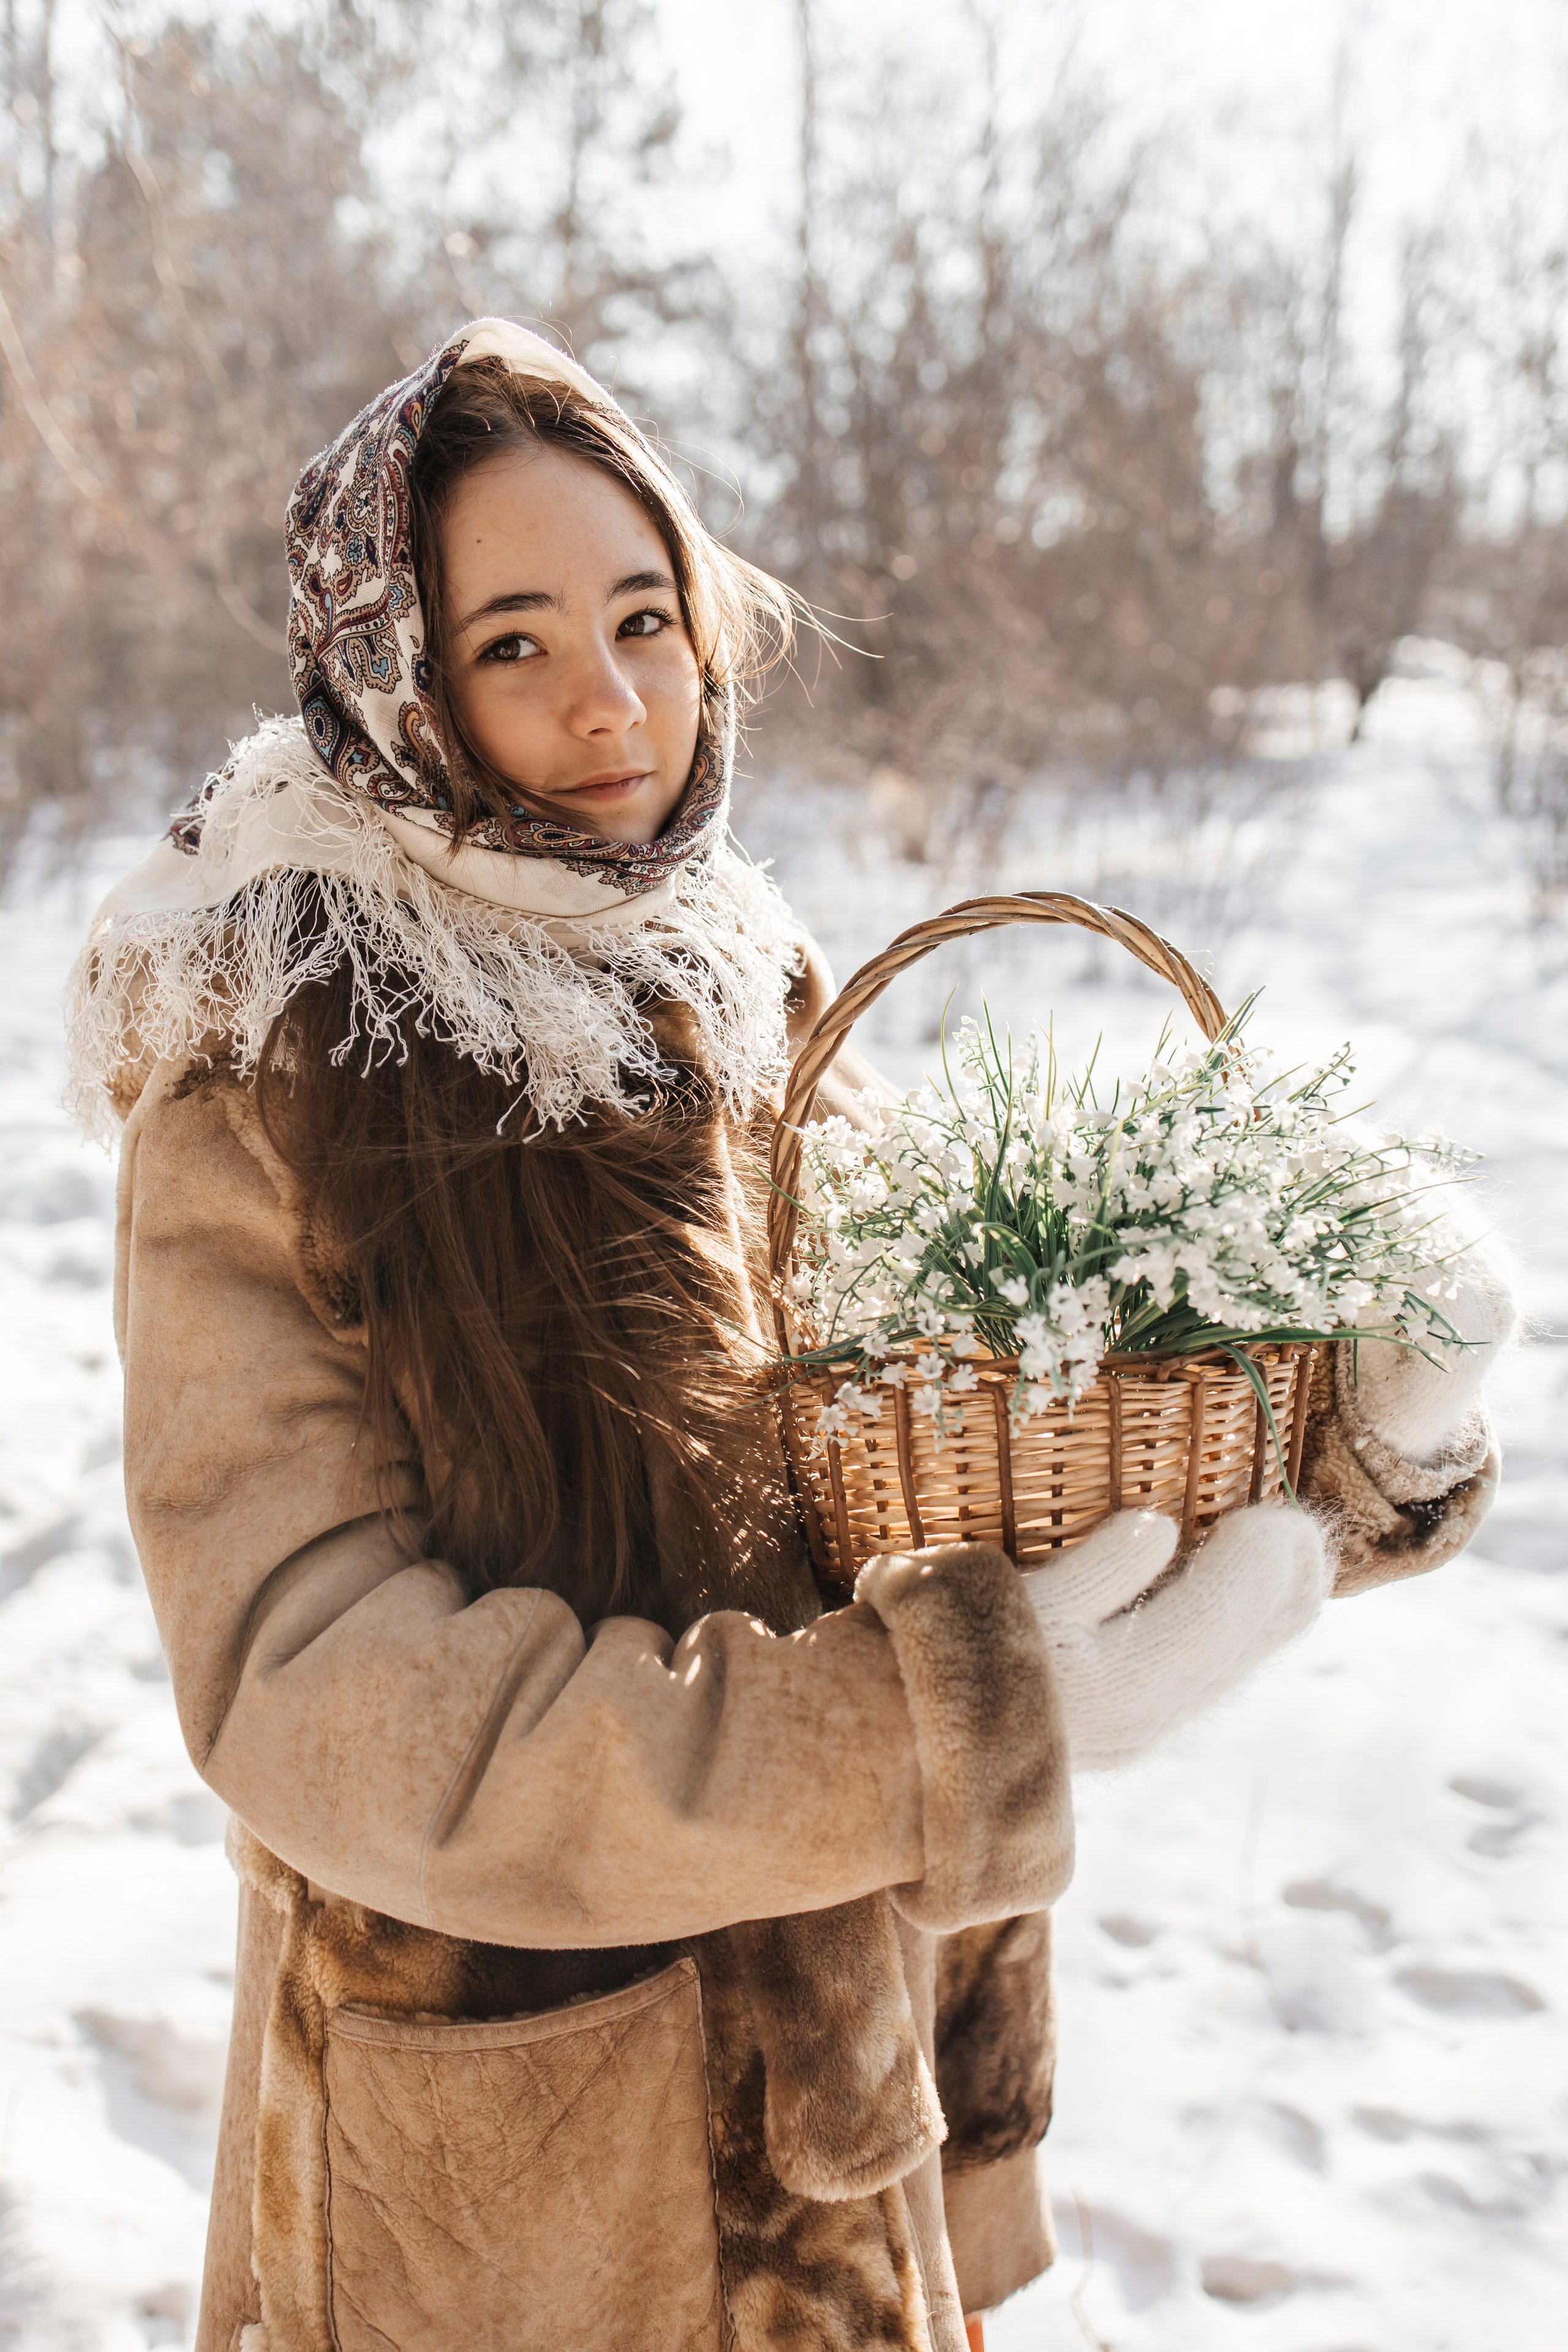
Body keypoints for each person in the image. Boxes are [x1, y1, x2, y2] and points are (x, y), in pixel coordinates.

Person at [70, 320, 1511, 2352]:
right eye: (513, 643)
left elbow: (971, 1420)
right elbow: (315, 1700)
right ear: (394, 674)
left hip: (830, 2145)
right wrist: (920, 1732)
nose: (612, 702)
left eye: (646, 616)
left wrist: (1347, 1440)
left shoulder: (736, 988)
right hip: (501, 2209)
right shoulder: (276, 1061)